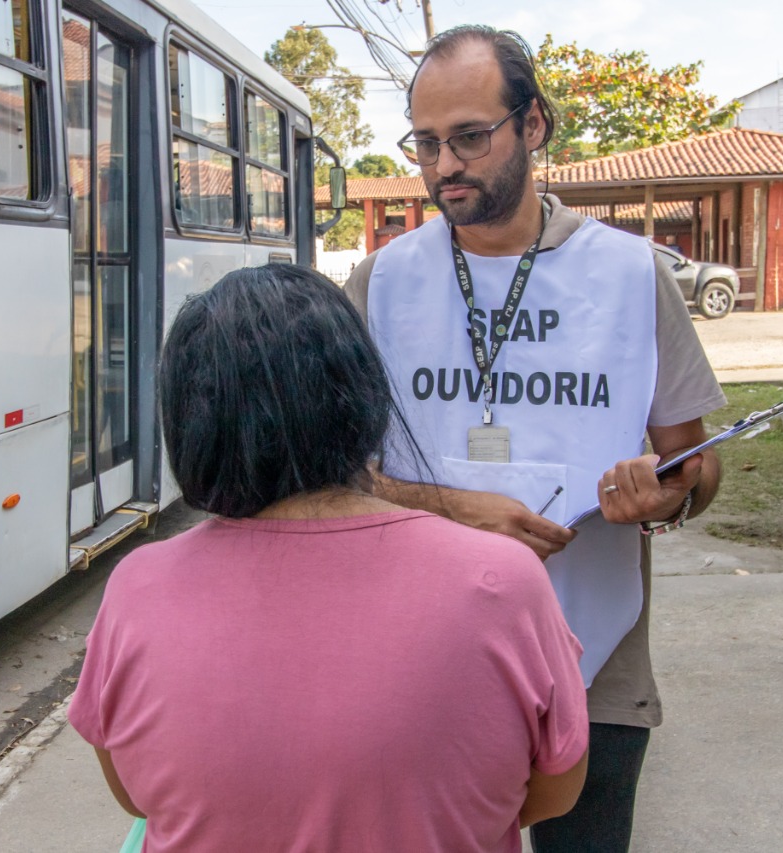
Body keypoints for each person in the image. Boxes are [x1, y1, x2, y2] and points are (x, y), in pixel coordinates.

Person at [343, 26, 726, 853]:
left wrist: (666, 492)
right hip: (417, 661)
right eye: (427, 143)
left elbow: (697, 465)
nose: (445, 165)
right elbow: (334, 479)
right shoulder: (380, 282)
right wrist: (447, 506)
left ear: (535, 125)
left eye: (471, 138)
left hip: (596, 659)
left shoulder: (632, 275)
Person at [69, 264, 590, 852]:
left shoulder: (139, 588)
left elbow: (135, 795)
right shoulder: (504, 583)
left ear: (191, 422)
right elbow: (553, 794)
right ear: (363, 396)